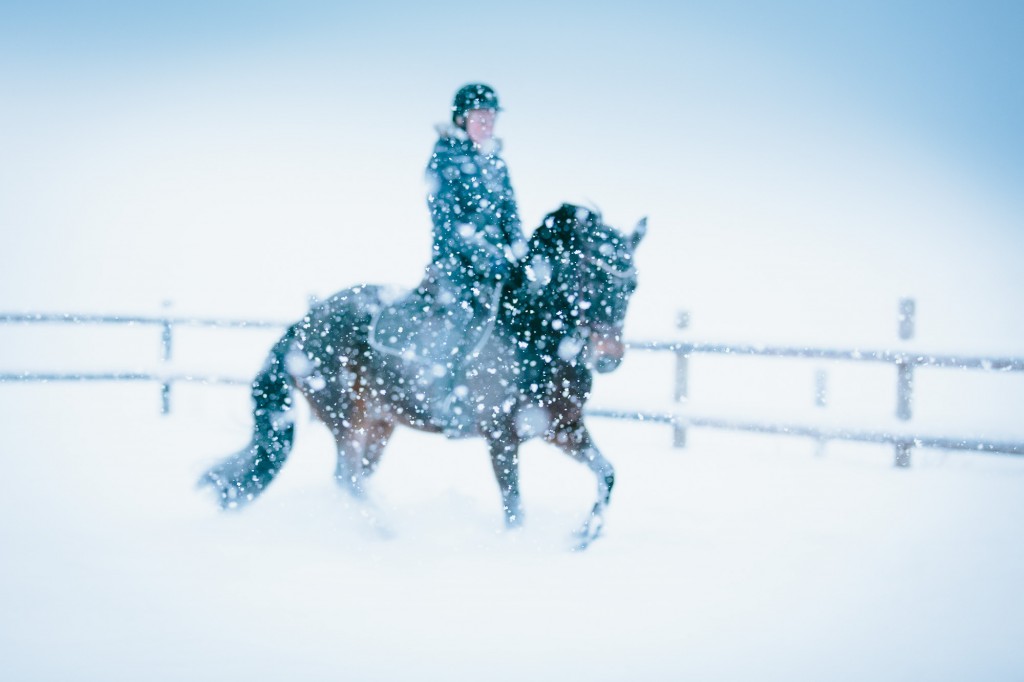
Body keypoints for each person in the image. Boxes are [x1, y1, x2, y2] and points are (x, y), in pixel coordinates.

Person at [368, 83, 526, 433]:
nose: (487, 123)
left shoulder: (496, 163)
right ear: (461, 118)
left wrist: (521, 251)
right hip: (455, 269)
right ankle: (450, 402)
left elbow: (510, 214)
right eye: (479, 116)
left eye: (491, 116)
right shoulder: (445, 158)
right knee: (459, 320)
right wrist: (488, 258)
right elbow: (451, 227)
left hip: (496, 269)